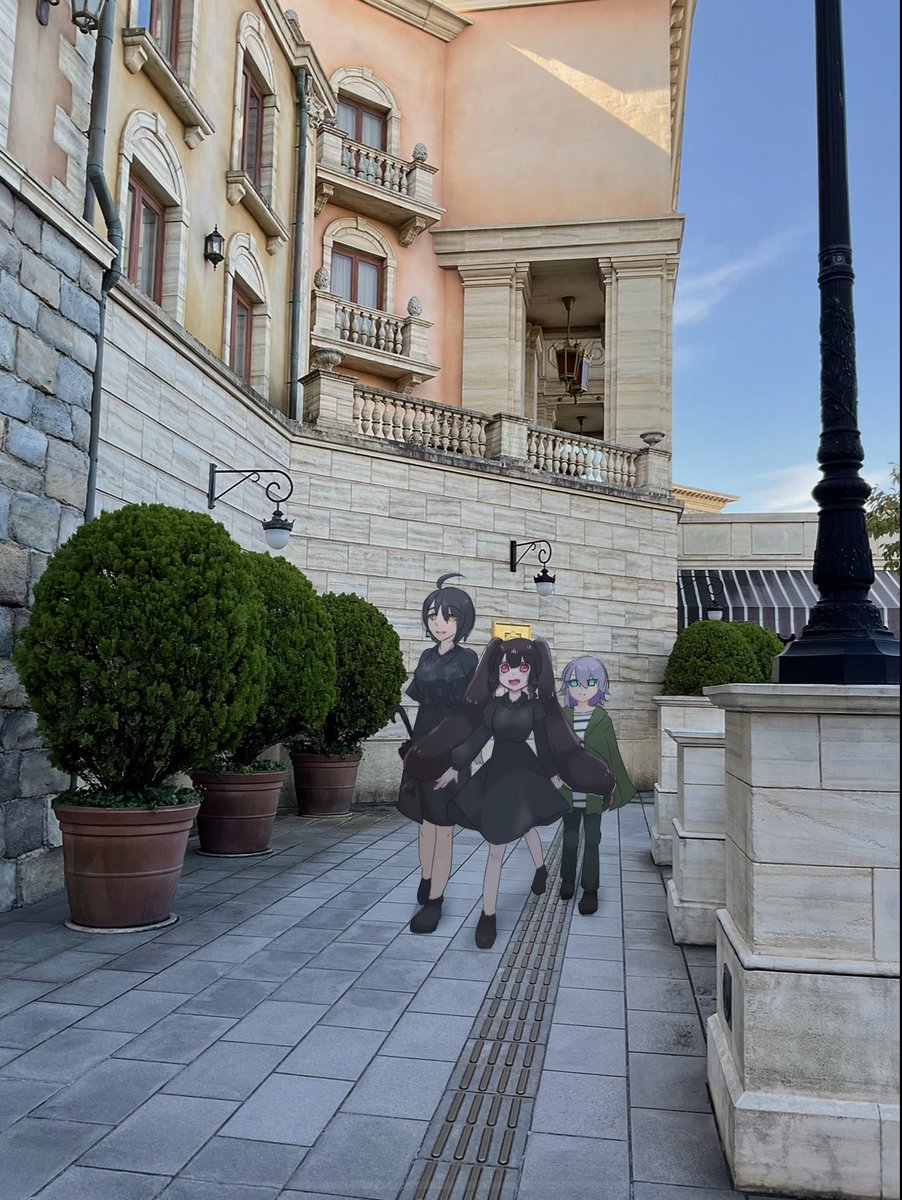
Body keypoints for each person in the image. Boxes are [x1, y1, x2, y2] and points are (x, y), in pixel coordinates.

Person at [406, 637, 614, 948]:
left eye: (522, 668)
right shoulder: (491, 707)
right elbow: (477, 738)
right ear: (496, 673)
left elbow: (544, 745)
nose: (513, 674)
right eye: (505, 668)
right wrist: (455, 766)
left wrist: (554, 775)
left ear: (533, 672)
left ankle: (540, 868)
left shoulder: (537, 709)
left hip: (526, 772)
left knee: (527, 827)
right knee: (496, 847)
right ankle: (487, 915)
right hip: (498, 774)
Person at [397, 573, 478, 934]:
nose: (439, 623)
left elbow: (473, 714)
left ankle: (436, 900)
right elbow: (419, 702)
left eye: (448, 616)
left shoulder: (468, 659)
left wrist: (460, 761)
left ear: (463, 620)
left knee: (442, 827)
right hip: (422, 744)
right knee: (425, 823)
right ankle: (427, 876)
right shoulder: (427, 656)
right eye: (432, 616)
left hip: (450, 747)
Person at [558, 655, 637, 914]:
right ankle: (567, 879)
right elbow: (553, 751)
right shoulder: (563, 717)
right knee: (570, 838)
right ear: (567, 686)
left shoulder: (603, 720)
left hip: (594, 794)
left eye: (590, 682)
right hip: (568, 791)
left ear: (599, 686)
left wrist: (616, 789)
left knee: (592, 840)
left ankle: (590, 889)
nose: (582, 688)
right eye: (575, 683)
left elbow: (612, 756)